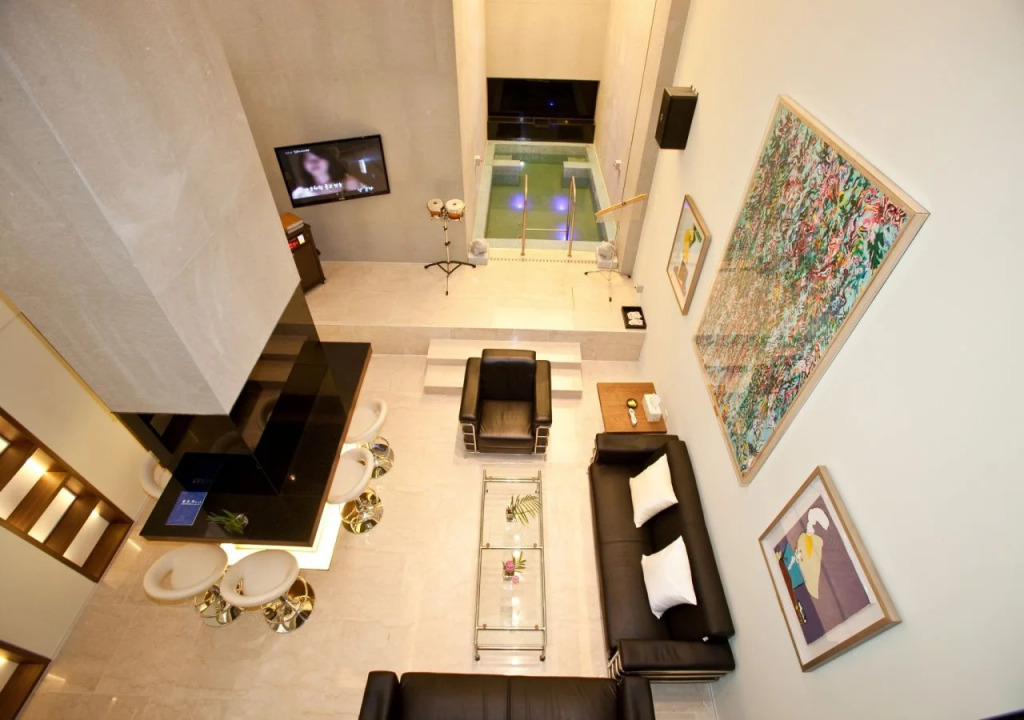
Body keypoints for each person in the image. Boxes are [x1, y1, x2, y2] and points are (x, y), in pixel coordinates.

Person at [290, 149, 368, 199]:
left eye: (318, 157)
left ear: (328, 160)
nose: (313, 162)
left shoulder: (349, 183)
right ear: (303, 165)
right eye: (307, 159)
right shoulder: (299, 194)